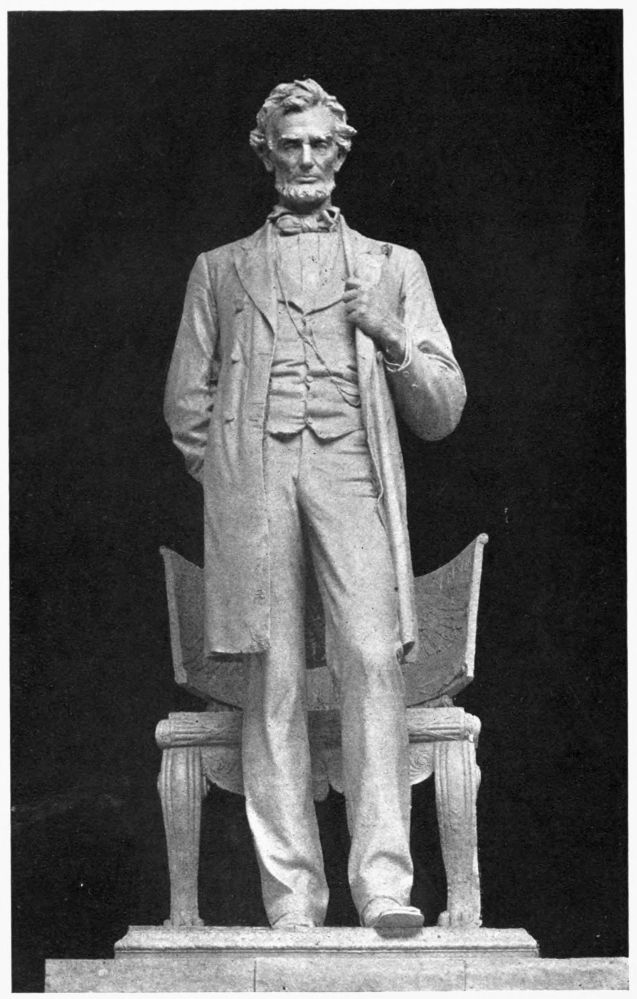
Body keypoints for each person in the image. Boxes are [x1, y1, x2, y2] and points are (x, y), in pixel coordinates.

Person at [164, 79, 466, 930]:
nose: (304, 159)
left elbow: (442, 409)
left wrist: (391, 335)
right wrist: (232, 479)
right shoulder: (220, 269)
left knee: (372, 657)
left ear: (340, 151)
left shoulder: (392, 267)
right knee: (272, 678)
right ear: (266, 152)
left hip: (351, 474)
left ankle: (383, 887)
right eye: (289, 143)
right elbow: (186, 400)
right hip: (256, 482)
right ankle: (291, 898)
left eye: (318, 144)